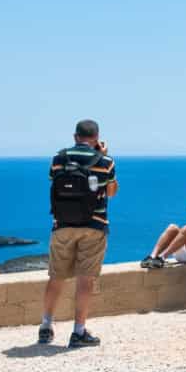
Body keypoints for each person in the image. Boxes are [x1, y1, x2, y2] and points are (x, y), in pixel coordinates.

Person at [40, 119, 117, 348]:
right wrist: (101, 155)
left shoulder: (58, 159)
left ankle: (46, 326)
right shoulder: (105, 161)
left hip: (62, 225)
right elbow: (111, 192)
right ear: (97, 137)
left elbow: (55, 183)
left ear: (75, 136)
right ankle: (79, 331)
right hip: (94, 226)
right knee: (85, 280)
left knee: (56, 277)